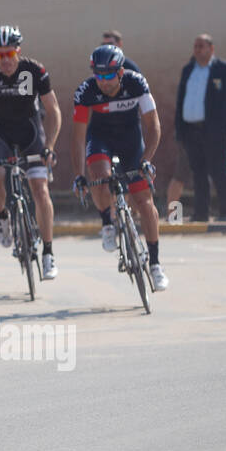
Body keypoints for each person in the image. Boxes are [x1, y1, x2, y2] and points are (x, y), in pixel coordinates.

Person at [70, 45, 169, 290]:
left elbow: (154, 126)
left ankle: (155, 265)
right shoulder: (86, 91)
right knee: (100, 176)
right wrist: (78, 175)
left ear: (120, 72)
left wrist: (146, 159)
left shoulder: (136, 84)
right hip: (100, 138)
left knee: (144, 202)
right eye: (98, 75)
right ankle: (107, 222)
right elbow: (77, 138)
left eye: (108, 76)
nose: (102, 81)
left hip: (130, 141)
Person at [0, 25, 61, 279]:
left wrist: (49, 147)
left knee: (40, 188)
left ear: (18, 51)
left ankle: (48, 252)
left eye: (10, 54)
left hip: (30, 130)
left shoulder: (35, 70)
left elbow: (53, 111)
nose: (6, 60)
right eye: (0, 55)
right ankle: (3, 217)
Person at [174, 34, 226, 221]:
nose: (197, 50)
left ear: (211, 49)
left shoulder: (224, 69)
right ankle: (201, 213)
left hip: (215, 131)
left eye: (201, 46)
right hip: (191, 130)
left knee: (219, 170)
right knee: (198, 173)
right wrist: (180, 129)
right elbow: (180, 100)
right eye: (195, 46)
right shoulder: (189, 70)